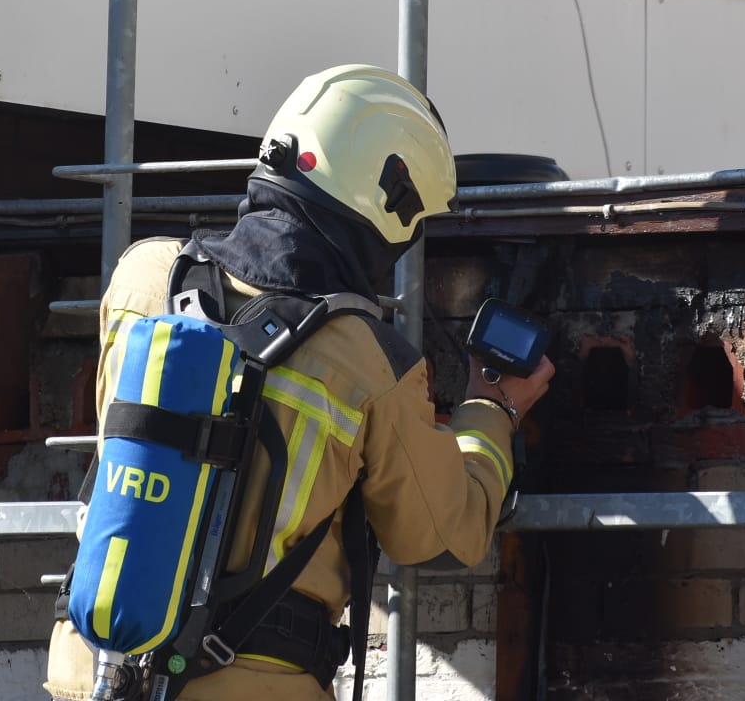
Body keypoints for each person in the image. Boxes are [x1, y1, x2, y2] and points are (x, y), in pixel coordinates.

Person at [45, 63, 555, 701]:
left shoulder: (142, 277)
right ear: (390, 202)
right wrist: (492, 410)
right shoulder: (369, 359)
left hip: (91, 669)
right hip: (250, 682)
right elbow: (438, 531)